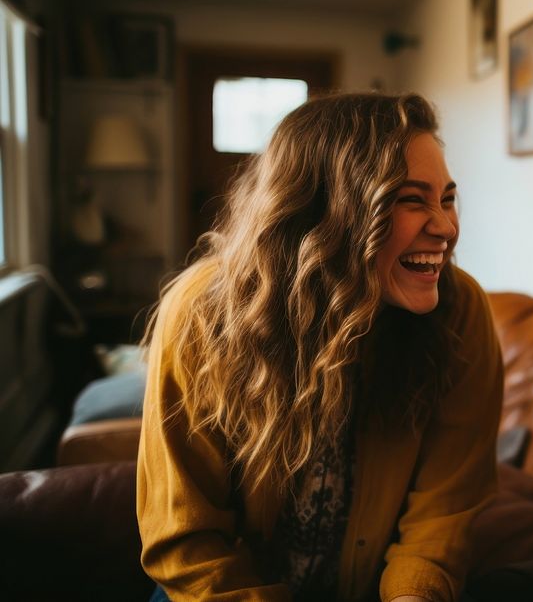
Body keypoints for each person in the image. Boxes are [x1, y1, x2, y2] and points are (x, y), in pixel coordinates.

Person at [137, 92, 504, 602]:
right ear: (329, 209)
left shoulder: (461, 312)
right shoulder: (203, 312)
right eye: (412, 199)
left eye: (446, 198)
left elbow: (443, 513)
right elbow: (186, 537)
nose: (446, 226)